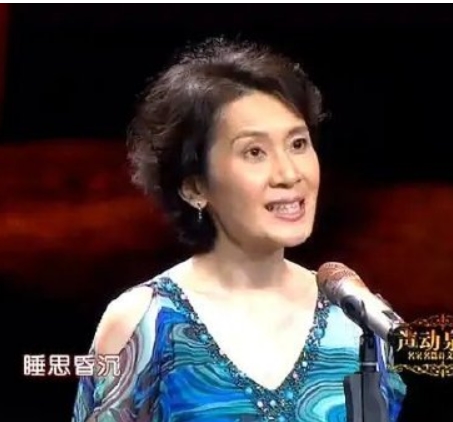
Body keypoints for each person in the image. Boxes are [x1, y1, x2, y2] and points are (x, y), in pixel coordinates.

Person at [71, 36, 406, 422]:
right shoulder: (143, 323)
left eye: (298, 144)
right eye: (254, 152)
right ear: (194, 186)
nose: (288, 174)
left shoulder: (355, 323)